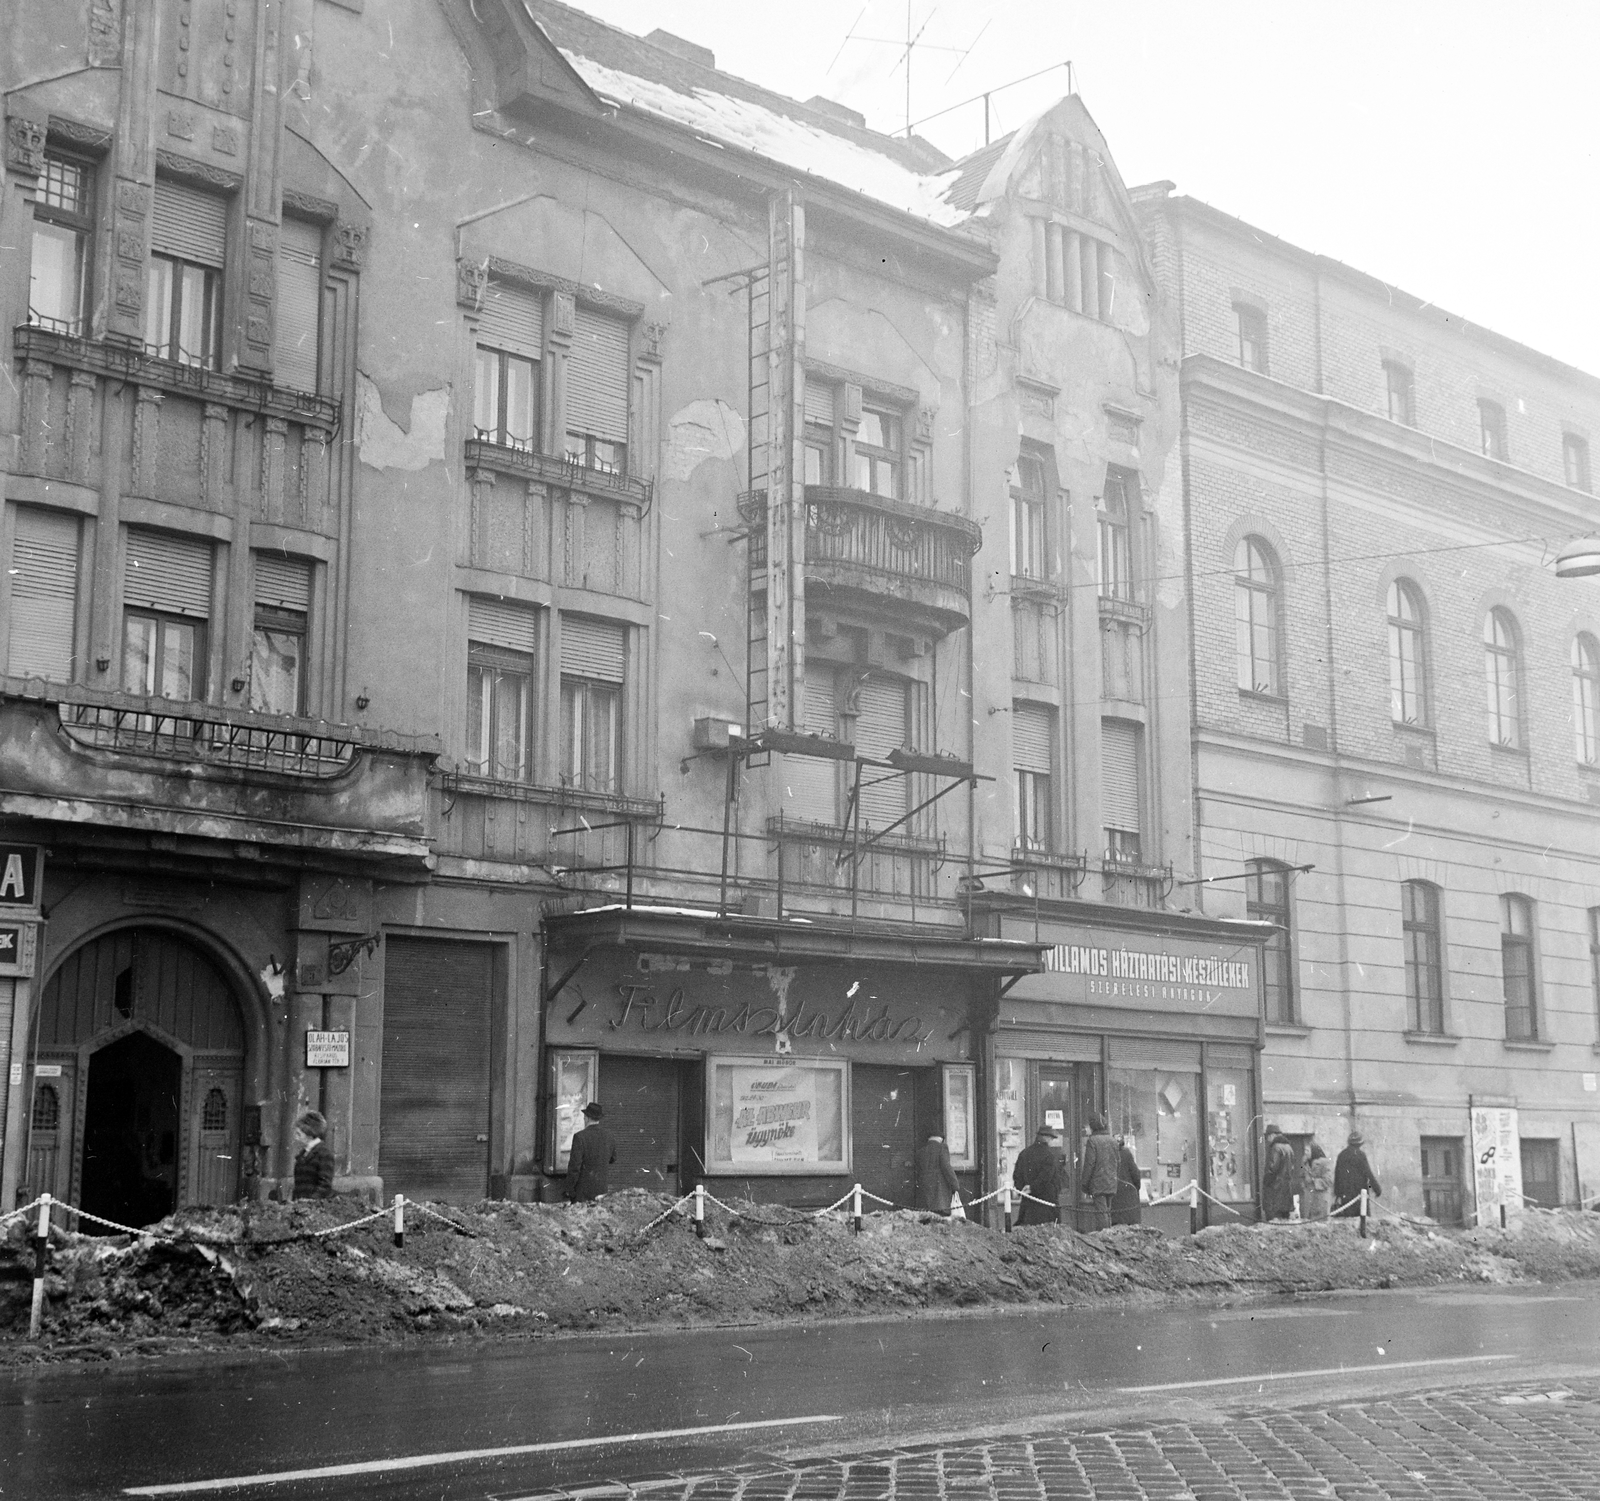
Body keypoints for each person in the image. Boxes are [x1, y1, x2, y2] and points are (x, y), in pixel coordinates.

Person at [564, 1101, 617, 1202]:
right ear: (599, 1119)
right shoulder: (609, 1136)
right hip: (602, 1190)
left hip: (582, 1192)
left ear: (587, 1118)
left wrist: (569, 1189)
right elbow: (613, 1158)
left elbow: (574, 1167)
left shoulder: (579, 1137)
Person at [1012, 1126, 1064, 1225]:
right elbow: (1046, 1177)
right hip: (1046, 1202)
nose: (1052, 1141)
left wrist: (1022, 1190)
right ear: (1046, 1138)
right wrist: (1033, 1188)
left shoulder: (1024, 1153)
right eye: (1051, 1138)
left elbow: (1017, 1175)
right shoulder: (1049, 1155)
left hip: (1028, 1204)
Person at [1079, 1115, 1120, 1230]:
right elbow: (1118, 1162)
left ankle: (1103, 1236)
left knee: (1101, 1213)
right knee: (1107, 1211)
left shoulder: (1093, 1141)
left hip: (1098, 1182)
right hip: (1111, 1181)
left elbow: (1089, 1164)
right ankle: (1109, 1235)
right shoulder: (1113, 1141)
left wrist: (1084, 1183)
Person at [1334, 1130, 1382, 1217]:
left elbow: (1337, 1176)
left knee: (1348, 1221)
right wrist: (1377, 1189)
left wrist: (1337, 1194)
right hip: (1360, 1193)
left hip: (1346, 1194)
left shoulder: (1341, 1155)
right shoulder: (1361, 1155)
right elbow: (1368, 1174)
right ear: (1360, 1143)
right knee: (1362, 1219)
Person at [292, 1110, 335, 1200]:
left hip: (316, 1207)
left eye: (299, 1134)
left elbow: (325, 1186)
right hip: (301, 1206)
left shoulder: (324, 1154)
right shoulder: (303, 1154)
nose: (296, 1138)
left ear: (310, 1133)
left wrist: (310, 1201)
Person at [1261, 1123, 1300, 1220]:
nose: (1267, 1140)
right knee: (1284, 1221)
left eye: (1267, 1137)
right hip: (1287, 1191)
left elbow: (1272, 1169)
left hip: (1274, 1191)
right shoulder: (1289, 1148)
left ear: (1272, 1135)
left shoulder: (1275, 1148)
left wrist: (1266, 1182)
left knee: (1273, 1220)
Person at [915, 1133, 960, 1216]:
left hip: (924, 1195)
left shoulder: (921, 1151)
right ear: (941, 1139)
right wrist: (955, 1185)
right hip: (939, 1194)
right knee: (941, 1220)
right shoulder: (942, 1148)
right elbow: (946, 1168)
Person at [1111, 1135, 1143, 1226]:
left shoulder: (1108, 1153)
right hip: (1129, 1198)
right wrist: (1135, 1188)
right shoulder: (1126, 1153)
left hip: (1113, 1196)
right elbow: (1135, 1174)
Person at [1303, 1138, 1332, 1221]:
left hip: (1321, 1199)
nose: (1305, 1153)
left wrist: (1313, 1181)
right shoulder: (1305, 1163)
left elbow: (1328, 1180)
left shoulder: (1324, 1163)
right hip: (1310, 1201)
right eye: (1304, 1150)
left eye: (1307, 1150)